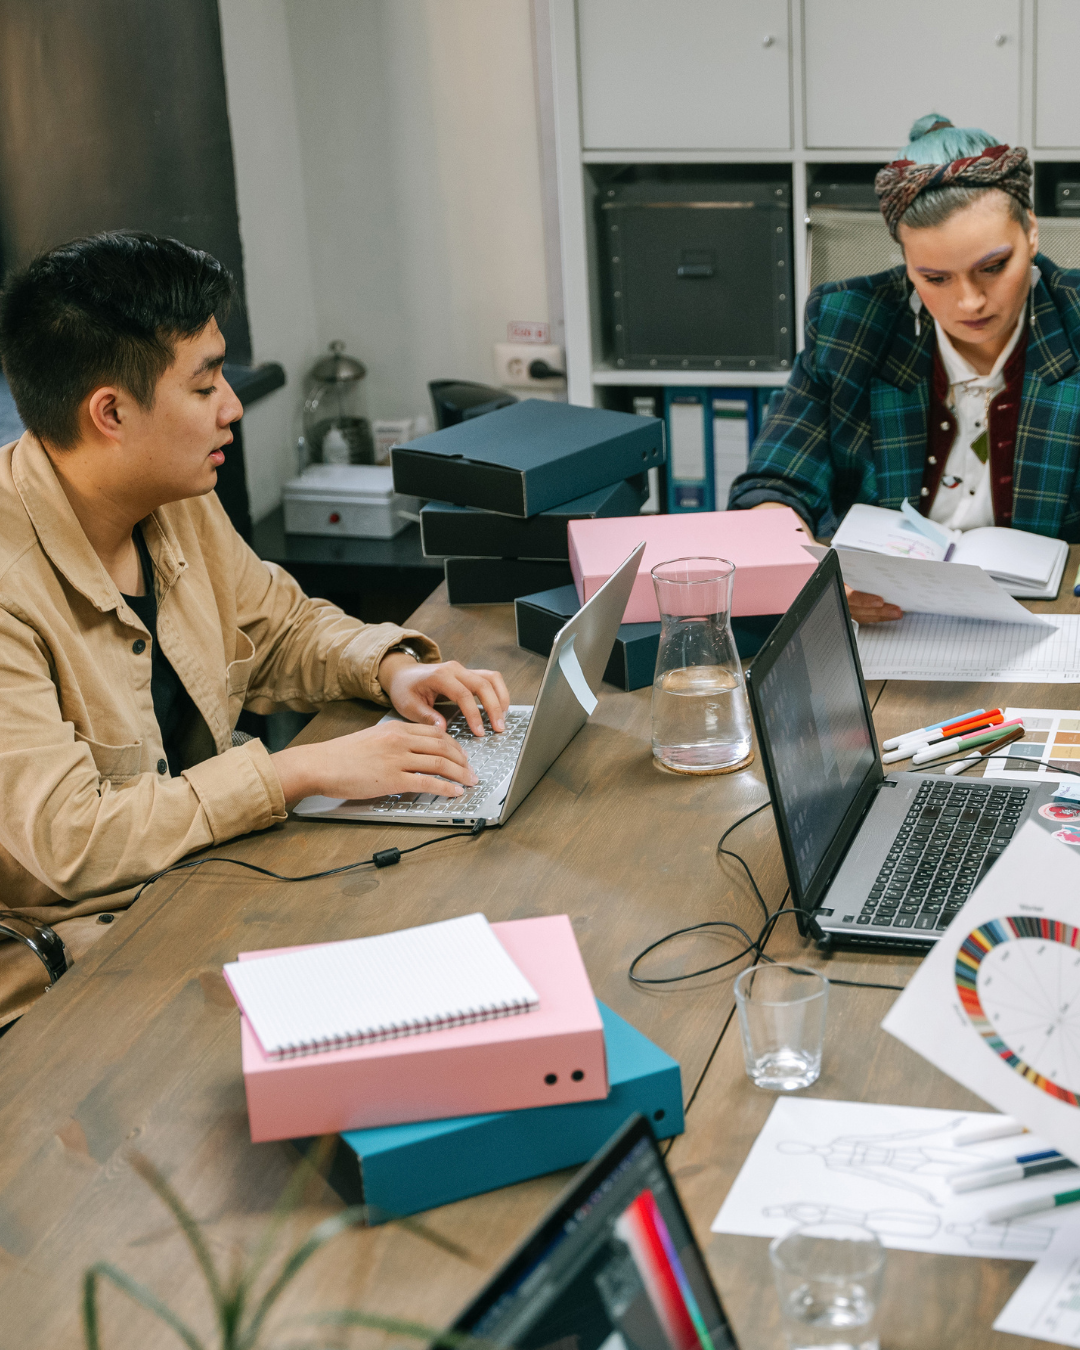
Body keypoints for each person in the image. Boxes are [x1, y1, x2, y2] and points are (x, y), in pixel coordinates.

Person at [0, 231, 510, 1026]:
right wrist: (296, 772)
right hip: (82, 973)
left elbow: (278, 628)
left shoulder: (172, 496)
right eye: (206, 385)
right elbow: (73, 839)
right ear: (111, 412)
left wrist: (391, 669)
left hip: (211, 883)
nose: (233, 407)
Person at [729, 114, 1080, 624]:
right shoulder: (849, 322)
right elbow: (774, 485)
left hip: (1052, 618)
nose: (970, 301)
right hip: (889, 618)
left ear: (1031, 230)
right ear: (906, 261)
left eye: (993, 267)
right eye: (935, 278)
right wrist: (808, 572)